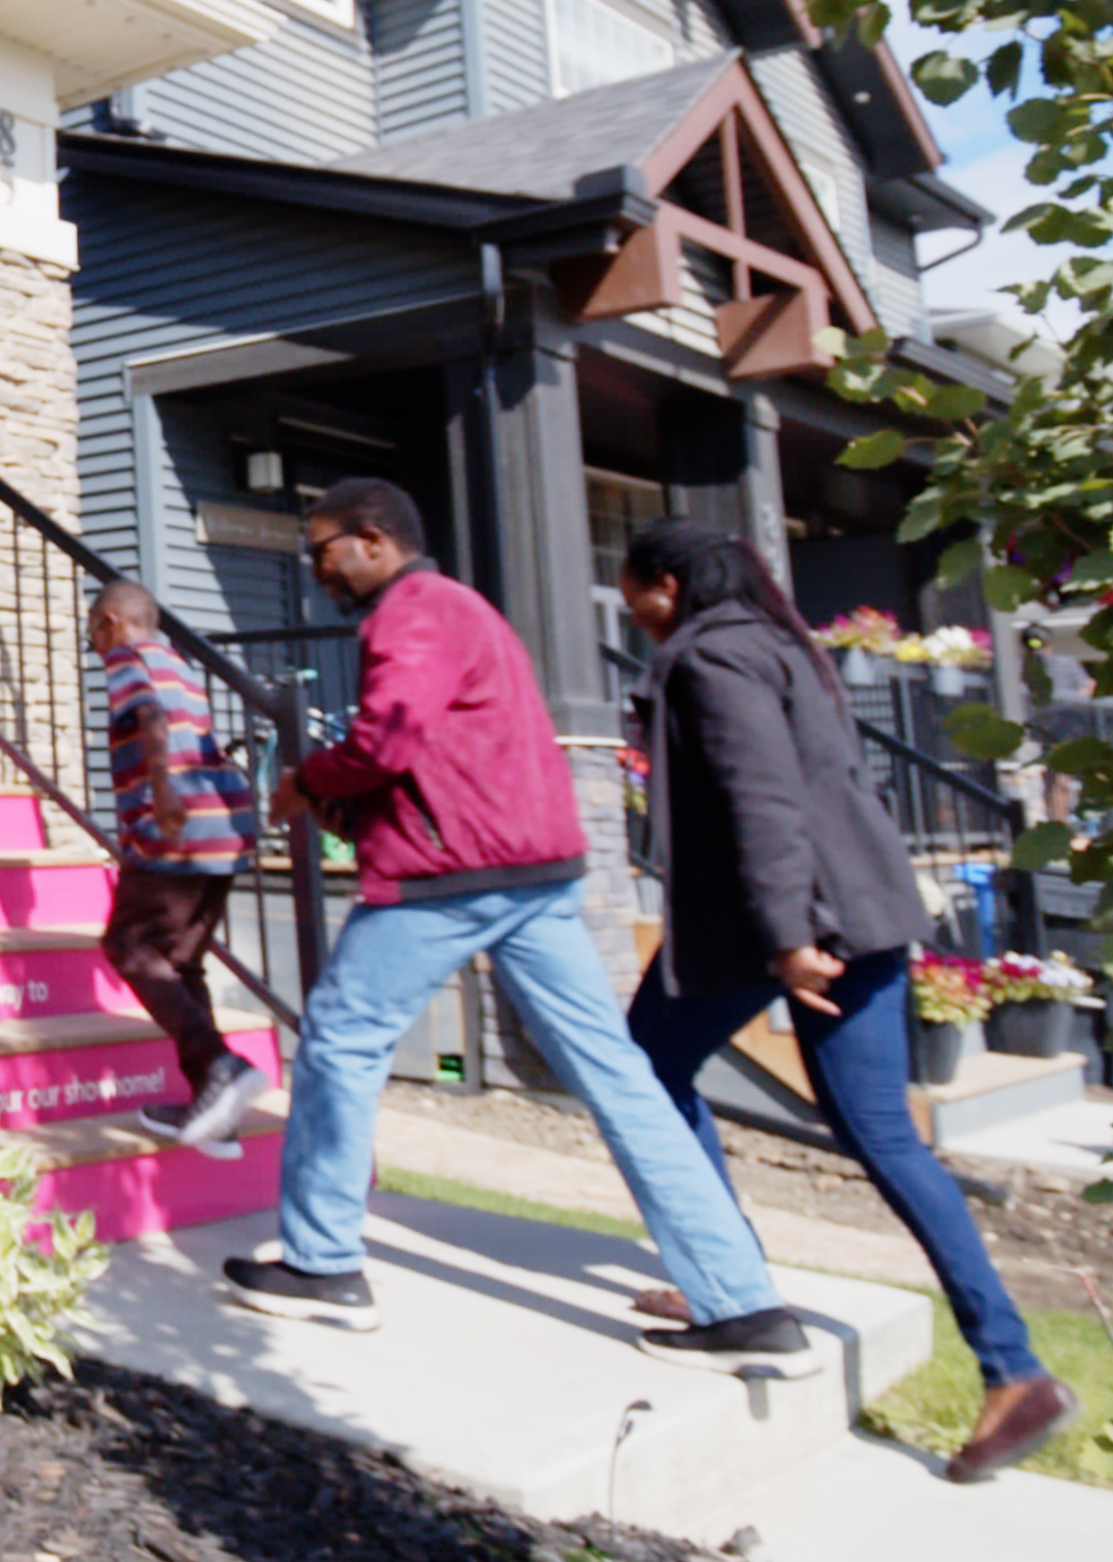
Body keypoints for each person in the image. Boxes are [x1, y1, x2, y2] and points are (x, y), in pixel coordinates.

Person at [222, 478, 823, 1377]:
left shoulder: (412, 611)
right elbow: (437, 750)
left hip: (449, 877)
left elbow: (388, 738)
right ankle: (745, 1307)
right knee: (620, 1078)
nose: (318, 571)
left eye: (323, 550)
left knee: (339, 1047)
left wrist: (309, 783)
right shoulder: (467, 610)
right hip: (536, 873)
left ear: (375, 540)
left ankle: (322, 1264)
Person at [614, 518, 1082, 1478]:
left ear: (665, 585)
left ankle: (730, 1288)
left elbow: (761, 798)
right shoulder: (785, 646)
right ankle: (1013, 1369)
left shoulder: (714, 659)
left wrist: (788, 936)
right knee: (880, 1132)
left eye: (634, 597)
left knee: (645, 1067)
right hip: (861, 914)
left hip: (790, 927)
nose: (635, 617)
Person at [89, 581, 286, 1152]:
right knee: (181, 962)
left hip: (175, 827)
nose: (96, 648)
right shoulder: (179, 665)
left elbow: (149, 715)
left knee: (128, 944)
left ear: (110, 623)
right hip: (225, 828)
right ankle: (213, 1106)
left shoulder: (129, 657)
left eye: (93, 634)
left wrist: (162, 790)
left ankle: (221, 1067)